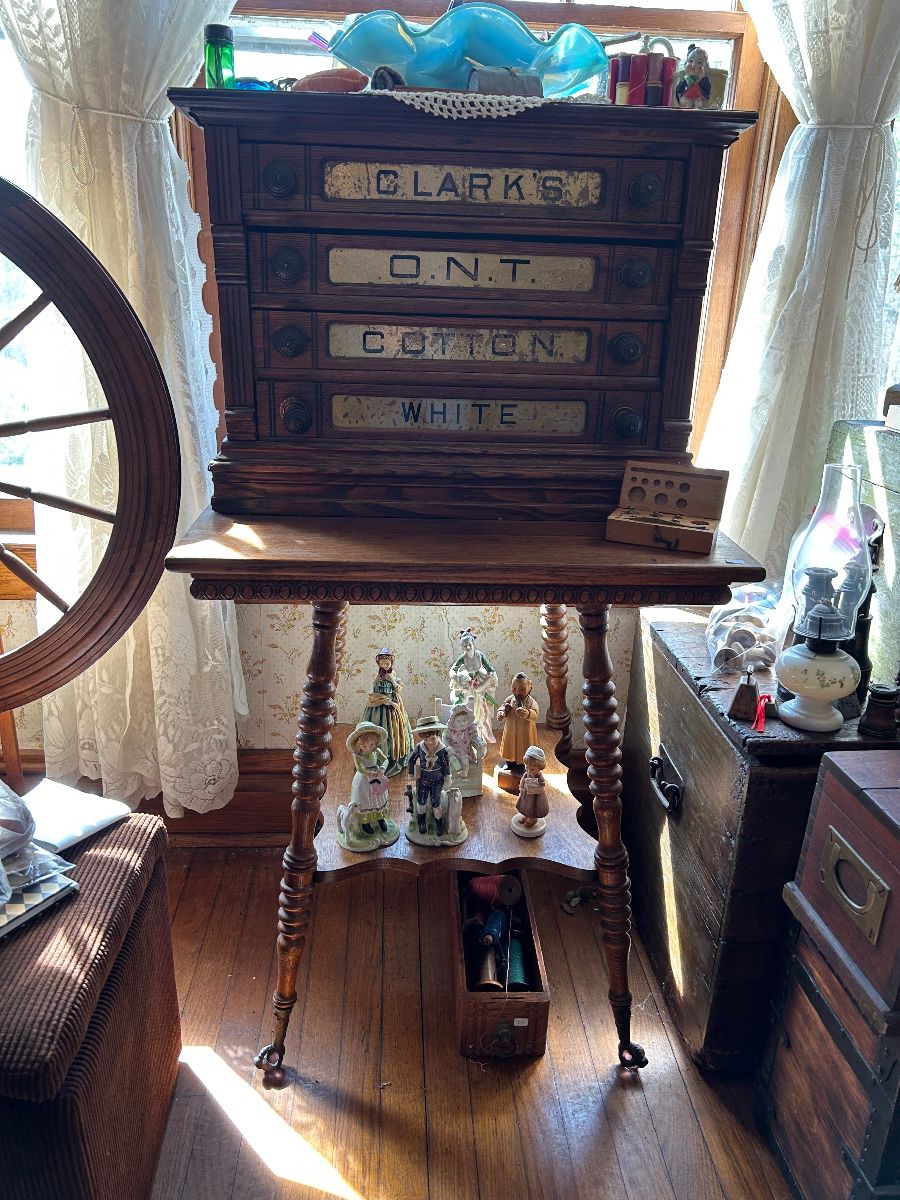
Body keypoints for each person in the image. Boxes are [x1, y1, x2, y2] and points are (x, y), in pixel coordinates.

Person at [362, 647, 413, 775]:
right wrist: (377, 682)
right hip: (379, 707)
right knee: (378, 727)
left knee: (395, 729)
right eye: (382, 663)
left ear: (391, 663)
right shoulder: (377, 676)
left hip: (393, 707)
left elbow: (398, 689)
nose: (385, 666)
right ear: (378, 663)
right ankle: (374, 757)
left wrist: (391, 680)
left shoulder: (393, 675)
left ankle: (394, 756)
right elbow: (374, 693)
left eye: (387, 663)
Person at [449, 628, 498, 745]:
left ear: (473, 643)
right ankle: (466, 736)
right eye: (465, 646)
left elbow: (491, 671)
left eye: (469, 645)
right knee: (467, 707)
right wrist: (458, 680)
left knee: (480, 710)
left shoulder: (479, 655)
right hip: (468, 684)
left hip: (479, 683)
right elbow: (453, 670)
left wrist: (483, 685)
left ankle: (479, 736)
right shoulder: (463, 657)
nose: (468, 648)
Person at [406, 714, 451, 836]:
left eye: (432, 739)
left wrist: (447, 776)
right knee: (421, 801)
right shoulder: (420, 748)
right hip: (422, 779)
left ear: (438, 734)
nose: (429, 742)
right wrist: (411, 773)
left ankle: (438, 823)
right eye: (426, 740)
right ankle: (421, 822)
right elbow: (411, 760)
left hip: (437, 780)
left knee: (435, 802)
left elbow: (446, 764)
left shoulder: (442, 750)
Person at [346, 722, 391, 835]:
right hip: (364, 779)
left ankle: (380, 818)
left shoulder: (376, 752)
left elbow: (385, 760)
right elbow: (359, 768)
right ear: (359, 745)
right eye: (364, 746)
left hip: (376, 775)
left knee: (378, 796)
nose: (368, 748)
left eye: (371, 744)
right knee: (364, 798)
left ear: (375, 742)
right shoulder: (357, 755)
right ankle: (365, 822)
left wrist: (382, 769)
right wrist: (368, 773)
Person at [497, 673, 539, 772]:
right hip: (511, 730)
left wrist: (528, 713)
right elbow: (502, 707)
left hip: (525, 732)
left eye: (522, 689)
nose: (517, 692)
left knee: (524, 747)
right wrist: (501, 712)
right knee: (509, 747)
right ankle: (509, 762)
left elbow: (535, 713)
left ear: (530, 687)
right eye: (514, 688)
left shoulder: (531, 702)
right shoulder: (510, 699)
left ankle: (522, 763)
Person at [511, 745, 549, 838]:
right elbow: (523, 779)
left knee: (533, 807)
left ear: (539, 767)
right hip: (526, 794)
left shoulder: (539, 777)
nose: (528, 771)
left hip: (535, 796)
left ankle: (532, 818)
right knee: (525, 805)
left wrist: (535, 787)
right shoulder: (527, 773)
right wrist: (521, 787)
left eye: (532, 769)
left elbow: (541, 785)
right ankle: (525, 815)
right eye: (526, 767)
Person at [675, 44, 712, 109]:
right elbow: (679, 91)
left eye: (699, 62)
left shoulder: (704, 80)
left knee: (698, 102)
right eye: (691, 61)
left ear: (706, 67)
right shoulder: (685, 79)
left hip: (699, 100)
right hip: (686, 100)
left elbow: (707, 92)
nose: (693, 65)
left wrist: (700, 80)